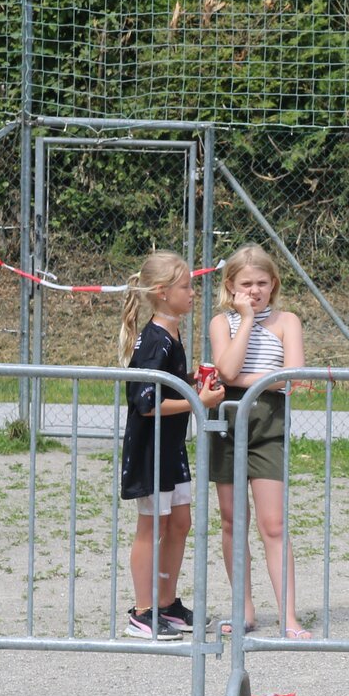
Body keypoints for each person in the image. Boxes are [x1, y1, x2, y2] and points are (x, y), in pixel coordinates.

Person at [118, 250, 225, 639]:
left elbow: (168, 385)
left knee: (180, 522)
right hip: (151, 451)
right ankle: (141, 611)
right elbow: (146, 403)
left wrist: (191, 379)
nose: (193, 293)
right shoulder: (153, 341)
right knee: (151, 526)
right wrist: (200, 402)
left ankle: (167, 602)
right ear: (162, 293)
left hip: (172, 448)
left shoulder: (173, 333)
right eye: (186, 287)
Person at [208, 243, 311, 639]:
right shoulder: (223, 323)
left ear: (274, 285)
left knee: (273, 523)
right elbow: (228, 369)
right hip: (229, 422)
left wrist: (244, 381)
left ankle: (288, 616)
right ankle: (244, 609)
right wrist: (246, 320)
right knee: (233, 521)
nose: (254, 290)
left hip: (269, 427)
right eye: (246, 284)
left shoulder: (288, 321)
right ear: (231, 286)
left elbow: (292, 376)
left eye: (262, 283)